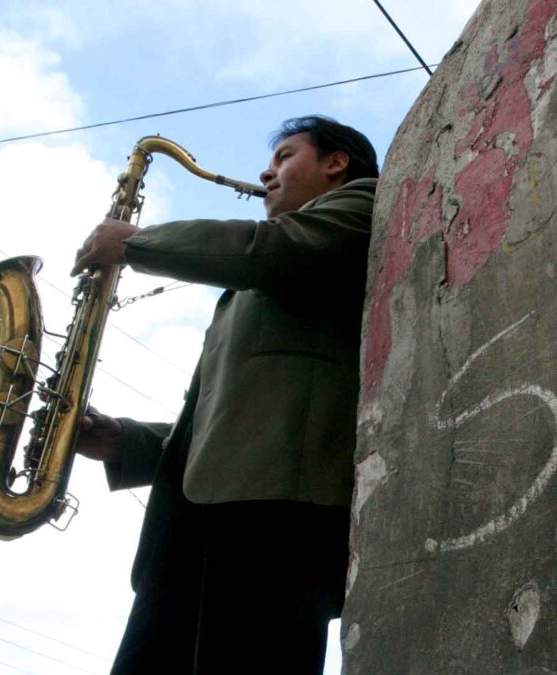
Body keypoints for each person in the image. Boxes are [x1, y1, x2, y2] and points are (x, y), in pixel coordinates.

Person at [70, 115, 379, 674]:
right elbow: (234, 423)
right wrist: (127, 441)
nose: (267, 170)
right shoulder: (261, 279)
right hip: (194, 527)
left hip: (277, 528)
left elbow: (271, 249)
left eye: (286, 156)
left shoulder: (363, 205)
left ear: (337, 164)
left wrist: (139, 243)